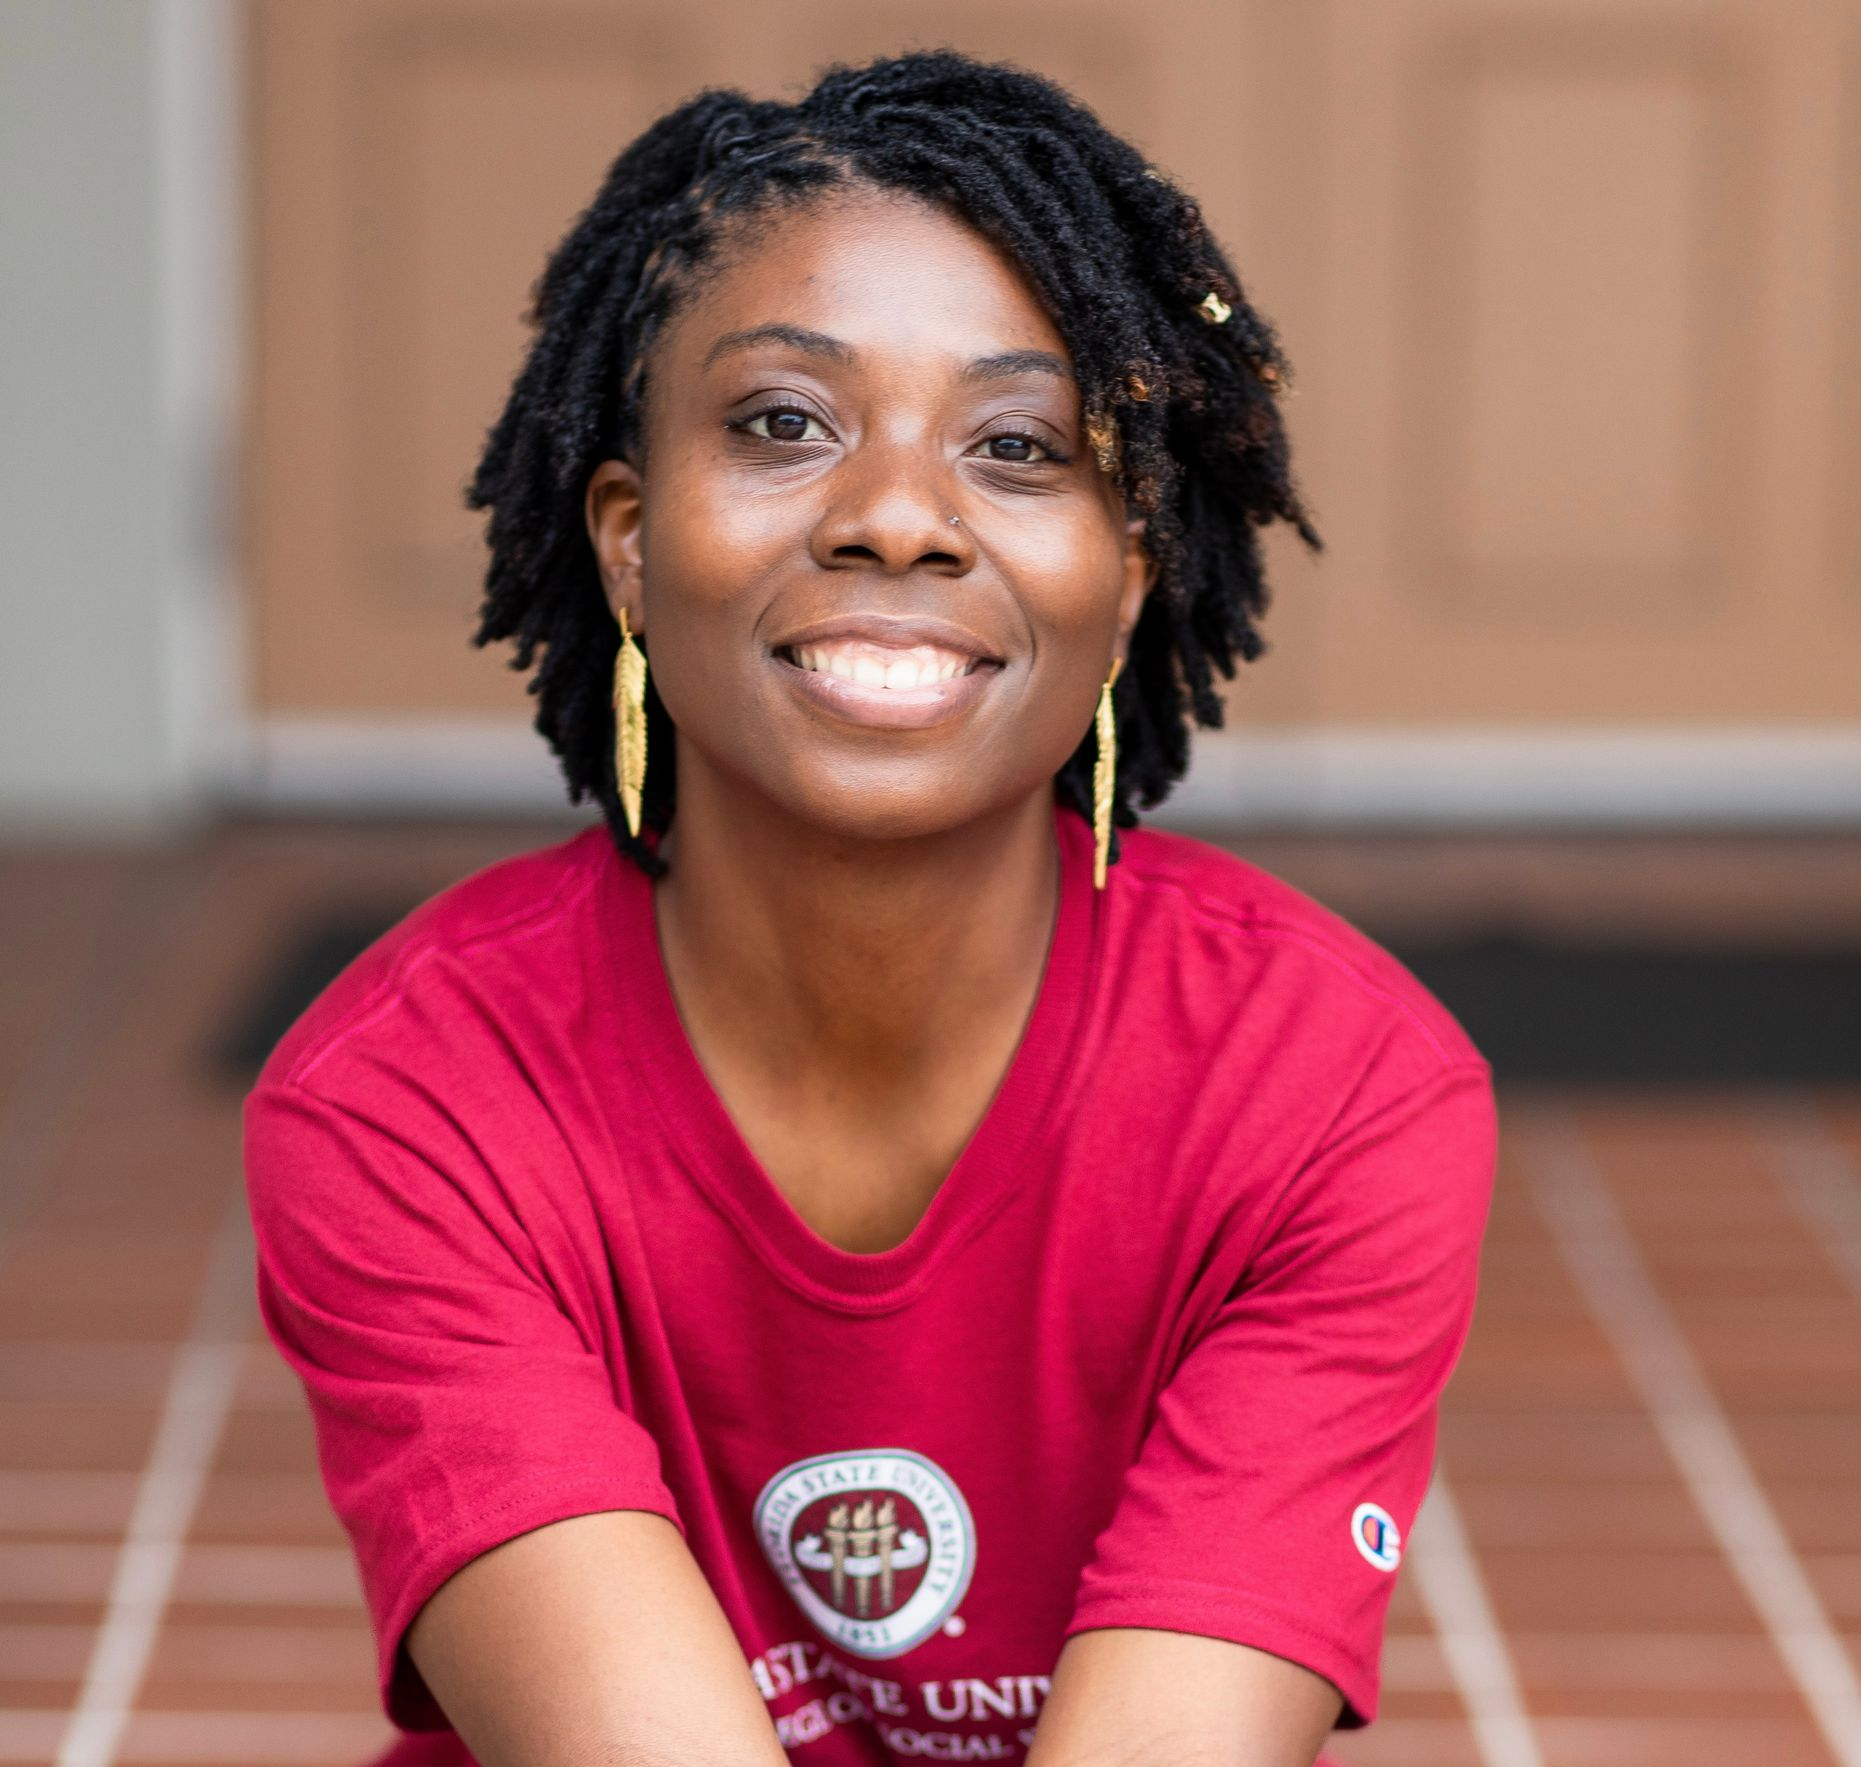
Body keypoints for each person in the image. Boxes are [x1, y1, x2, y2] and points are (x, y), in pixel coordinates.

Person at [242, 48, 1497, 1767]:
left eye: (1016, 444)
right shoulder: (406, 1103)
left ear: (1128, 572)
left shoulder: (1333, 1091)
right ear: (625, 536)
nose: (900, 517)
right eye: (782, 422)